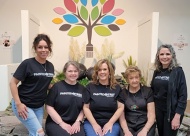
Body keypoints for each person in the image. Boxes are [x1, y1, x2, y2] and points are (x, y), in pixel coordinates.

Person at [10, 34, 54, 136]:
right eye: (40, 47)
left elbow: (45, 83)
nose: (43, 50)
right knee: (39, 133)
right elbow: (13, 83)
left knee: (34, 132)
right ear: (35, 48)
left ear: (49, 48)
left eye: (46, 47)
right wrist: (18, 104)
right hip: (24, 104)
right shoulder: (27, 64)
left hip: (38, 107)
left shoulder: (50, 66)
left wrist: (58, 87)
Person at [151, 44, 187, 136]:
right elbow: (153, 90)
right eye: (162, 54)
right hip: (158, 111)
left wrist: (177, 116)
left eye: (168, 54)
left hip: (172, 112)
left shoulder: (178, 71)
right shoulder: (157, 71)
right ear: (158, 57)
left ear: (172, 56)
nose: (165, 57)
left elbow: (183, 95)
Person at [83, 59, 124, 136]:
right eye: (99, 70)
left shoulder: (117, 88)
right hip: (91, 122)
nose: (102, 72)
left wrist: (110, 123)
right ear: (96, 72)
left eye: (105, 69)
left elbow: (121, 107)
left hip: (112, 122)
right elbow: (86, 108)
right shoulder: (90, 87)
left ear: (109, 71)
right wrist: (95, 125)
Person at [45, 61, 86, 136]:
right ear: (65, 72)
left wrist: (78, 122)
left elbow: (84, 108)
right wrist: (61, 123)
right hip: (55, 122)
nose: (73, 73)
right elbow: (49, 107)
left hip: (75, 122)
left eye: (75, 71)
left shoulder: (82, 89)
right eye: (70, 71)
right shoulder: (57, 87)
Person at [119, 66, 156, 136]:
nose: (134, 80)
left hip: (144, 124)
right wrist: (126, 131)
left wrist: (145, 130)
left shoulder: (148, 91)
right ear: (127, 80)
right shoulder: (122, 93)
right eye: (131, 78)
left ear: (140, 77)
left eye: (136, 77)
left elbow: (151, 114)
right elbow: (121, 116)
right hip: (128, 125)